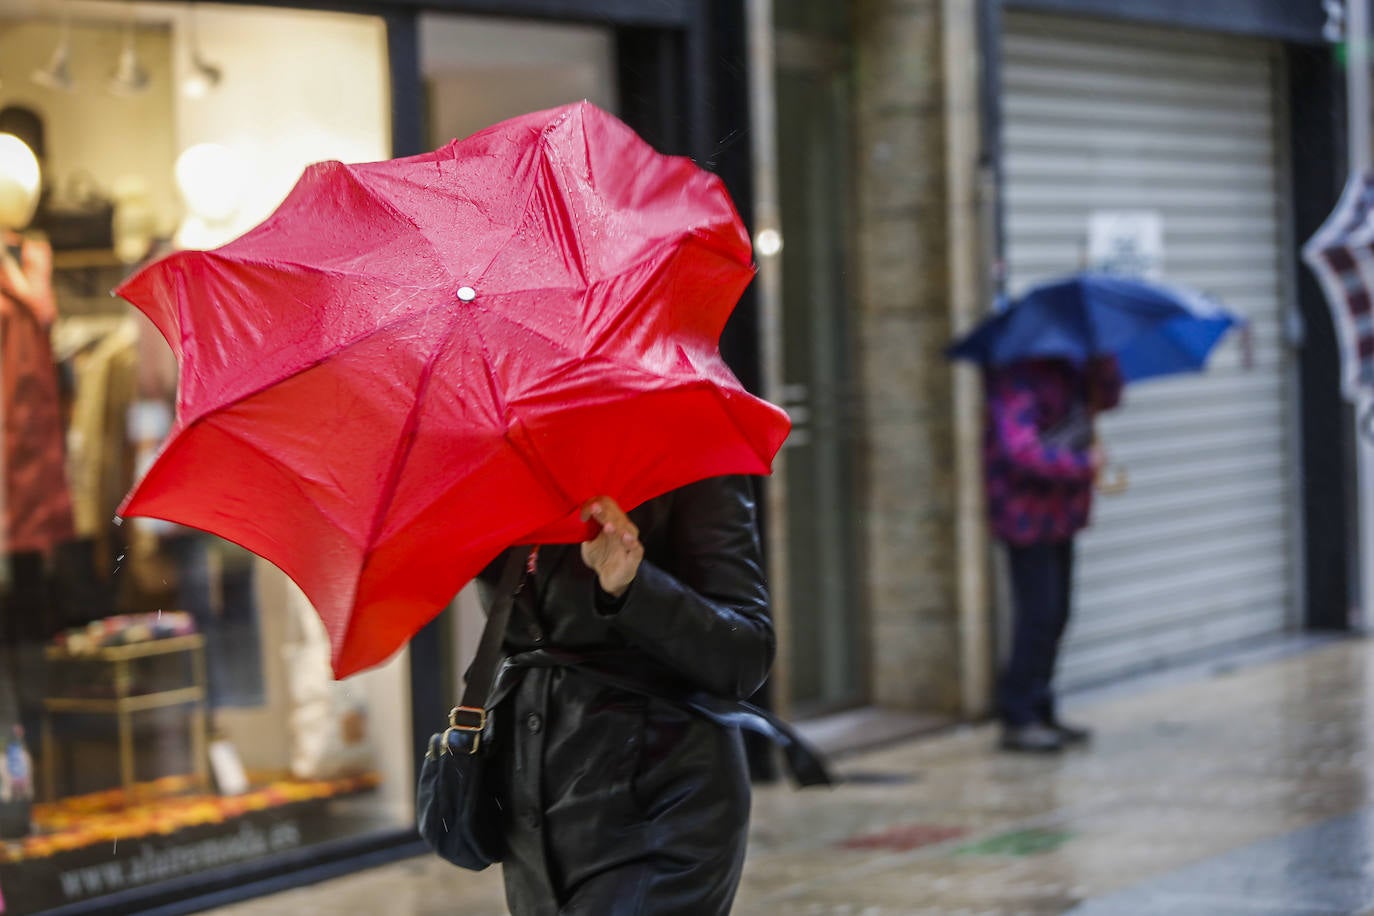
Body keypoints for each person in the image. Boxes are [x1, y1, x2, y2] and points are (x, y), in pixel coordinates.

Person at [477, 474, 775, 916]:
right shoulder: (496, 466)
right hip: (535, 816)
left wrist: (631, 584)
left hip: (661, 807)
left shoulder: (686, 452)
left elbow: (745, 655)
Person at [984, 356, 1122, 753]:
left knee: (1059, 612)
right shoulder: (1016, 380)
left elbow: (1108, 400)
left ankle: (1041, 705)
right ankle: (1018, 715)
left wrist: (1105, 367)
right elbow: (1020, 451)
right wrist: (1081, 464)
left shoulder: (1075, 373)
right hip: (1025, 517)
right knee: (1039, 614)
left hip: (1063, 515)